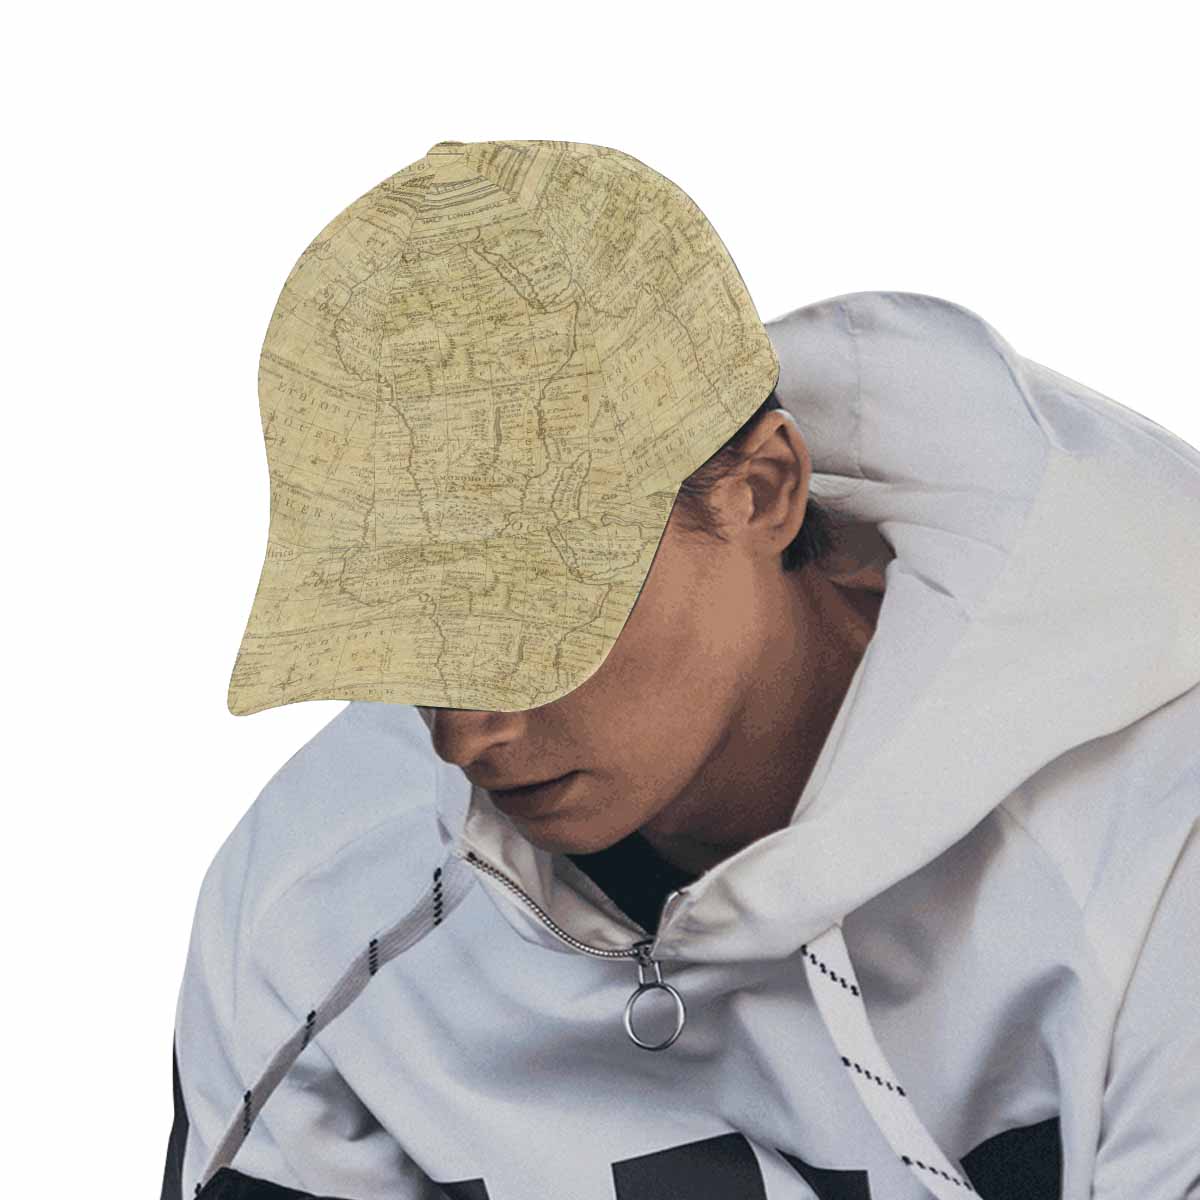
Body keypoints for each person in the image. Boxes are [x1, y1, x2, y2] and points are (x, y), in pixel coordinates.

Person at [162, 141, 1200, 1200]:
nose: (464, 734)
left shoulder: (1153, 839)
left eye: (540, 622)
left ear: (762, 491)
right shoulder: (319, 895)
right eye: (415, 631)